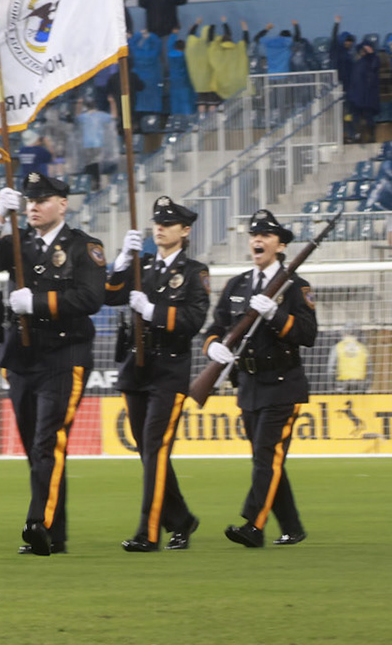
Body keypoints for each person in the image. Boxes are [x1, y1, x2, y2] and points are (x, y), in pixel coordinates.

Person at [0, 170, 107, 556]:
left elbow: (90, 299)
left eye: (42, 200)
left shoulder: (85, 247)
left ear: (62, 204)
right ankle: (55, 531)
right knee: (36, 448)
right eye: (29, 201)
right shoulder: (18, 242)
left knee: (48, 442)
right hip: (22, 357)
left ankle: (39, 523)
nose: (33, 206)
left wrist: (36, 303)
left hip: (64, 356)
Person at [102, 196, 210, 552]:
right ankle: (181, 520)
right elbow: (109, 295)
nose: (159, 227)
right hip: (137, 368)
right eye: (156, 223)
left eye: (168, 223)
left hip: (169, 370)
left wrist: (152, 310)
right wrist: (120, 261)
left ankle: (149, 531)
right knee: (150, 451)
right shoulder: (143, 266)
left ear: (185, 230)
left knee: (155, 446)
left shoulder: (195, 272)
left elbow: (193, 320)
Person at [207, 209, 318, 547]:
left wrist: (276, 314)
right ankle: (292, 526)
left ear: (280, 245)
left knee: (267, 456)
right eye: (254, 234)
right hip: (249, 385)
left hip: (283, 384)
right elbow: (215, 327)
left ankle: (253, 526)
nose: (257, 239)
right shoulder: (237, 285)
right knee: (266, 459)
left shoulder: (296, 286)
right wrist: (214, 348)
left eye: (266, 235)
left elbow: (308, 334)